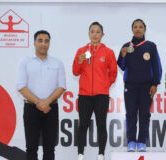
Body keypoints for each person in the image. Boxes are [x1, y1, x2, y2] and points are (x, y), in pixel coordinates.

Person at [16, 30, 66, 160]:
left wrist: (46, 102)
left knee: (49, 148)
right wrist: (39, 103)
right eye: (40, 40)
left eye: (46, 41)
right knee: (31, 147)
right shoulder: (24, 61)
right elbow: (21, 86)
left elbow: (61, 86)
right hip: (31, 109)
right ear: (34, 43)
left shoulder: (57, 63)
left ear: (49, 43)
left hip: (51, 109)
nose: (43, 44)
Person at [72, 22, 117, 160]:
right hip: (85, 95)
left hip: (101, 95)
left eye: (98, 32)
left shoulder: (108, 52)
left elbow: (113, 73)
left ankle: (101, 154)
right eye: (92, 31)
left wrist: (104, 86)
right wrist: (79, 61)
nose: (95, 34)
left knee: (101, 124)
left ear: (102, 34)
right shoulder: (81, 51)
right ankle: (80, 154)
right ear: (88, 34)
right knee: (83, 125)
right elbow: (75, 72)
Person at [117, 19, 162, 152]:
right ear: (132, 29)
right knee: (130, 114)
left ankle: (142, 141)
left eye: (141, 27)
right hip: (130, 86)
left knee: (144, 114)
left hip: (146, 86)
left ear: (144, 29)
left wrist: (155, 83)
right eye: (135, 27)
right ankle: (131, 141)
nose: (138, 29)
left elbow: (157, 66)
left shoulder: (151, 46)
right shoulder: (126, 46)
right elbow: (121, 65)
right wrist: (123, 55)